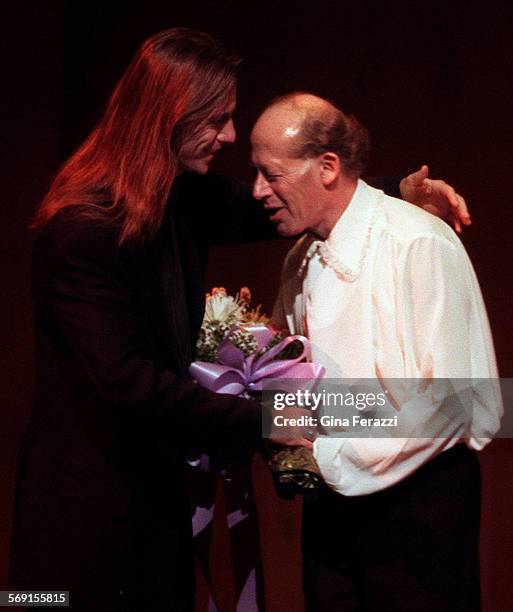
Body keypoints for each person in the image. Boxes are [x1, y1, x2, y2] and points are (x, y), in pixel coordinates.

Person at [9, 27, 470, 611]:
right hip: (86, 523)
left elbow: (290, 197)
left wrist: (395, 192)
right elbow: (128, 384)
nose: (228, 136)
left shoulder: (179, 197)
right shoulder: (82, 230)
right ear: (166, 118)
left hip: (158, 502)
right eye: (217, 119)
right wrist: (265, 419)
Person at [251, 92, 502, 611]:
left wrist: (321, 450)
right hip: (333, 503)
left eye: (270, 174)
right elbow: (294, 379)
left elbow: (449, 402)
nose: (258, 191)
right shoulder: (300, 259)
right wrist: (276, 417)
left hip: (415, 505)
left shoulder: (417, 243)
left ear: (327, 167)